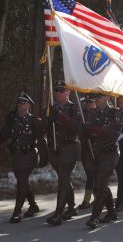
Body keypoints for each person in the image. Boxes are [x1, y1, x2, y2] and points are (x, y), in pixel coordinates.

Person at [0, 92, 47, 223]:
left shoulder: (34, 120)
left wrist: (44, 156)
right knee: (23, 182)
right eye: (18, 103)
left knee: (21, 183)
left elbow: (41, 140)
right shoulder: (13, 118)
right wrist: (6, 124)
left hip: (28, 155)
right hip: (16, 156)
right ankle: (33, 205)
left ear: (28, 105)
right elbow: (2, 137)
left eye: (22, 103)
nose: (19, 105)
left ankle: (17, 212)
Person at [46, 80, 82, 226]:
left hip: (69, 148)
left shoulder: (74, 107)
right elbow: (46, 127)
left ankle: (58, 213)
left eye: (62, 90)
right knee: (64, 179)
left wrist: (59, 116)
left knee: (63, 179)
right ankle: (72, 207)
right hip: (55, 148)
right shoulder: (52, 107)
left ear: (68, 92)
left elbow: (75, 127)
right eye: (56, 90)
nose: (58, 93)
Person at [85, 94, 122, 229]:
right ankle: (112, 212)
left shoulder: (115, 112)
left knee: (100, 185)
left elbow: (113, 133)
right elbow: (86, 133)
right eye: (96, 98)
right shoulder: (92, 113)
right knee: (102, 184)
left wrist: (95, 130)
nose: (97, 100)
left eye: (99, 97)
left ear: (107, 97)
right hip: (96, 153)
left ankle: (94, 217)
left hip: (110, 152)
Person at [77, 93, 97, 210]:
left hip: (96, 148)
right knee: (90, 174)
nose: (88, 104)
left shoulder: (99, 114)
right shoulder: (82, 114)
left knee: (95, 175)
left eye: (90, 102)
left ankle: (90, 199)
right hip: (85, 148)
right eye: (86, 102)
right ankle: (92, 198)